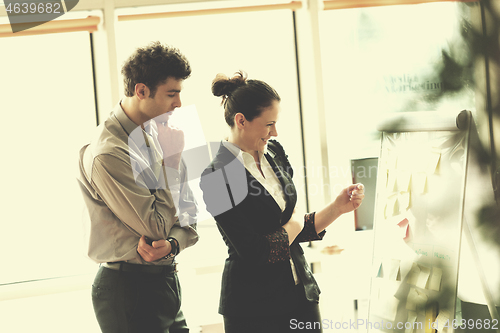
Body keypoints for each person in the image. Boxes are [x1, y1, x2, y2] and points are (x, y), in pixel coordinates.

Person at [199, 71, 365, 333]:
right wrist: (296, 221)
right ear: (241, 120)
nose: (275, 132)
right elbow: (257, 252)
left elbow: (290, 231)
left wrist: (336, 209)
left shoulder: (274, 153)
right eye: (269, 124)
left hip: (301, 296)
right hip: (252, 310)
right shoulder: (215, 176)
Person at [77, 41, 198, 333]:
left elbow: (191, 216)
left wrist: (173, 244)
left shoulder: (159, 134)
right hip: (128, 291)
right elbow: (156, 227)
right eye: (172, 94)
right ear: (141, 91)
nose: (178, 103)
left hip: (164, 282)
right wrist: (171, 163)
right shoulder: (109, 152)